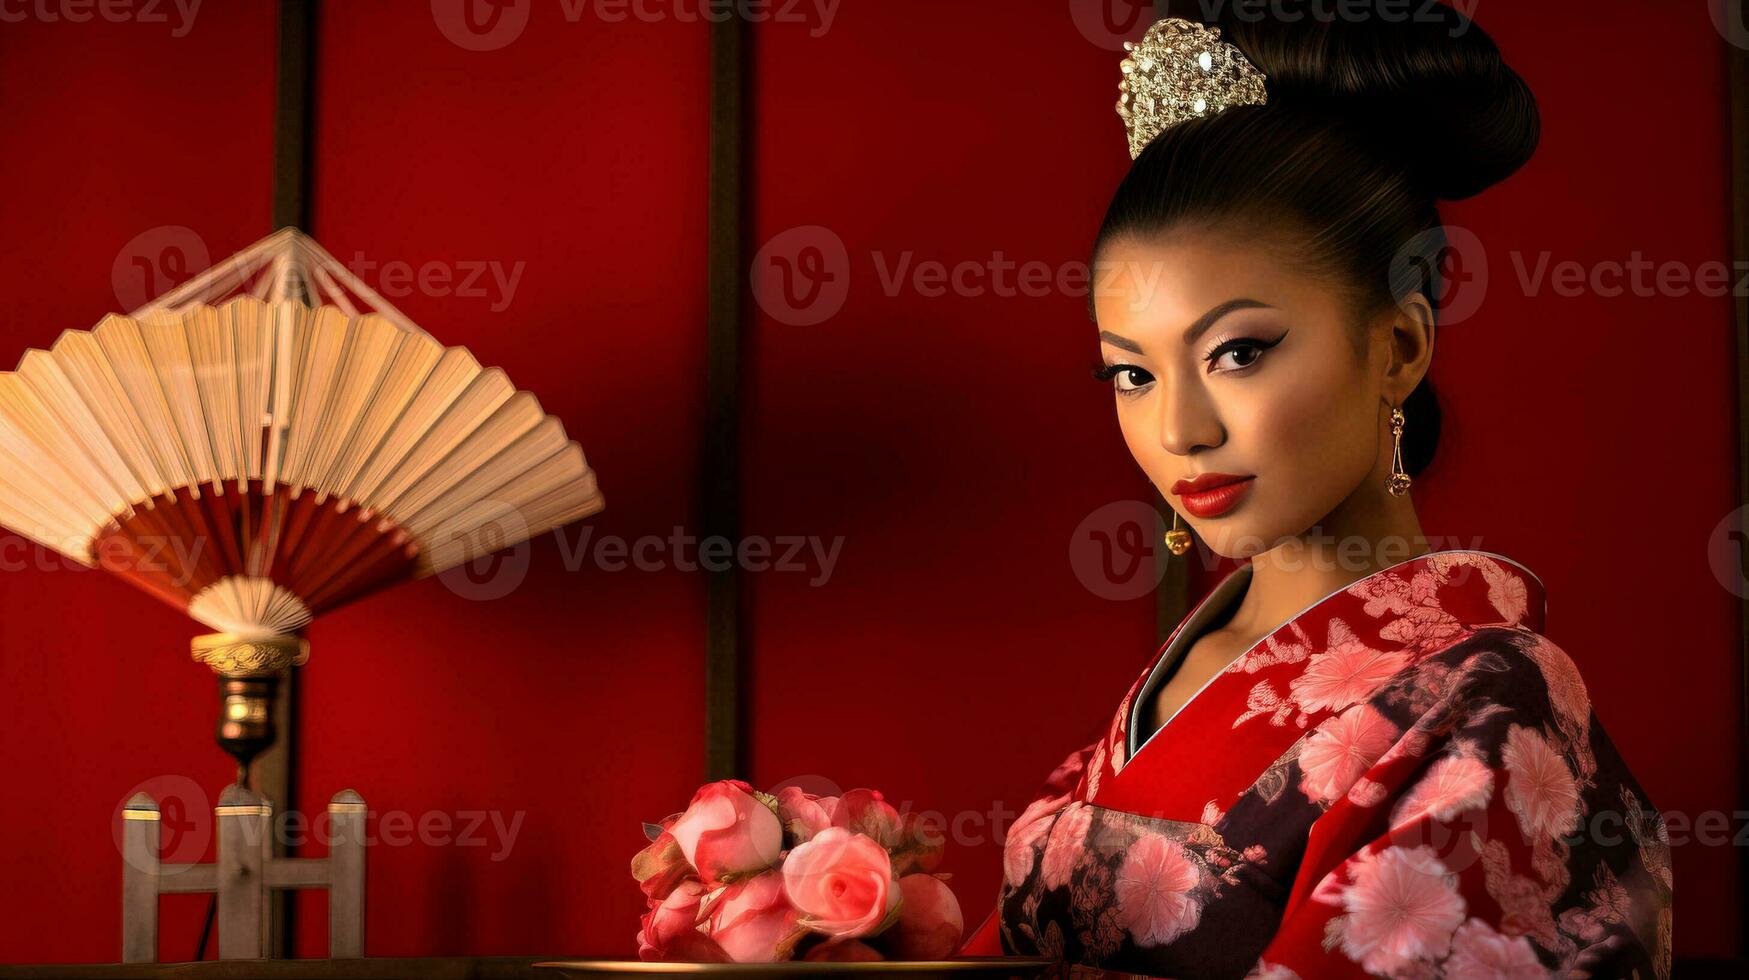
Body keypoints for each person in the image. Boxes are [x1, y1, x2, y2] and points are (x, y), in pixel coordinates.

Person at [955, 6, 1673, 977]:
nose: (1180, 430)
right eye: (1132, 373)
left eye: (1239, 352)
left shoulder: (1493, 703)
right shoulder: (1180, 675)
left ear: (1401, 346)